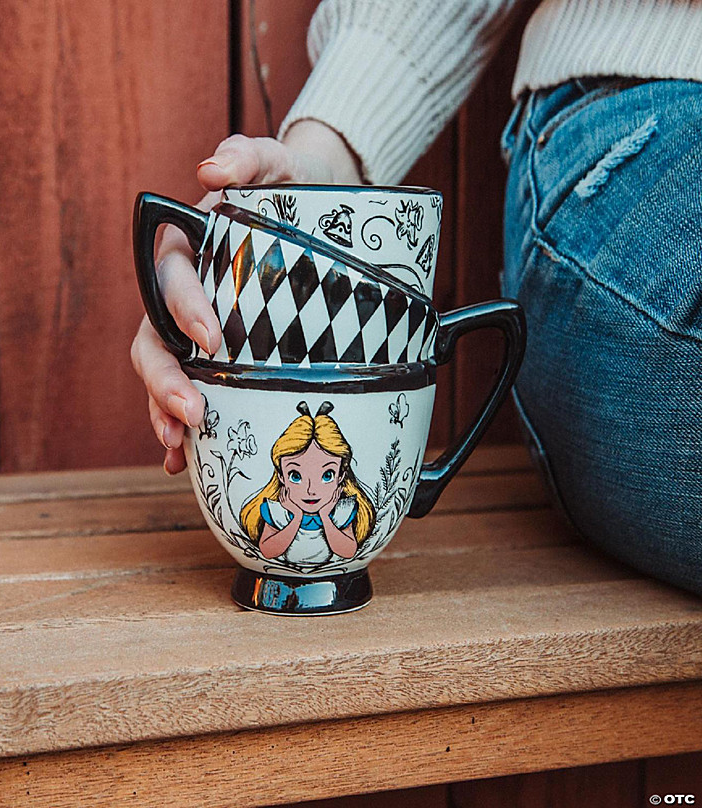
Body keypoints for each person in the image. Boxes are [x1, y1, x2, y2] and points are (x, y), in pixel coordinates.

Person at [131, 0, 702, 595]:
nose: (309, 485)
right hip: (643, 120)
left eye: (323, 474)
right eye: (297, 473)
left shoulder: (340, 507)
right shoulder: (276, 509)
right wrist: (323, 167)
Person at [239, 401, 376, 564]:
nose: (311, 490)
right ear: (281, 476)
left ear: (340, 477)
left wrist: (326, 517)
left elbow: (347, 551)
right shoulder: (278, 512)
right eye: (295, 476)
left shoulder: (341, 511)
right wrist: (296, 518)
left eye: (327, 475)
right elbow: (268, 551)